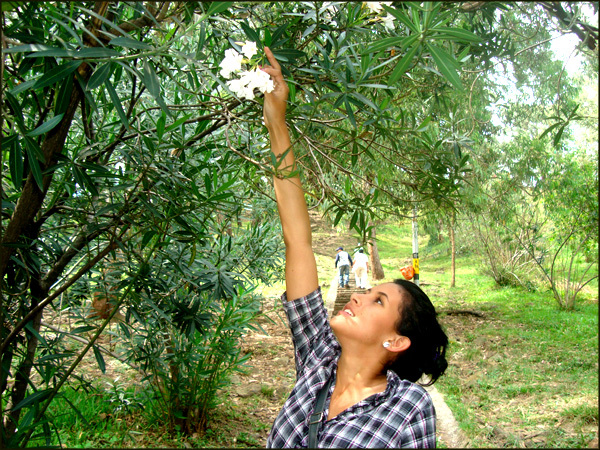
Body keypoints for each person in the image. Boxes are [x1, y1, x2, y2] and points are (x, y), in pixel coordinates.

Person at [261, 47, 449, 448]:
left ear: (395, 342)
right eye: (369, 292)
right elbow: (298, 238)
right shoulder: (319, 358)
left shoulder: (407, 409)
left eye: (379, 301)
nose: (360, 297)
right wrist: (277, 120)